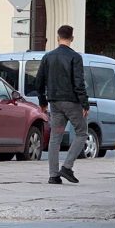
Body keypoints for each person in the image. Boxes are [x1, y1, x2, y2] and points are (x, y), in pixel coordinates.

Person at [35, 25, 90, 185]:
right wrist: (84, 103)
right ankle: (67, 167)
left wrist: (42, 102)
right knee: (81, 133)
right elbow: (79, 83)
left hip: (54, 102)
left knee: (55, 137)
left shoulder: (48, 57)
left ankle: (53, 175)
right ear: (72, 38)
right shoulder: (75, 57)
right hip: (71, 102)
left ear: (58, 38)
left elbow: (39, 81)